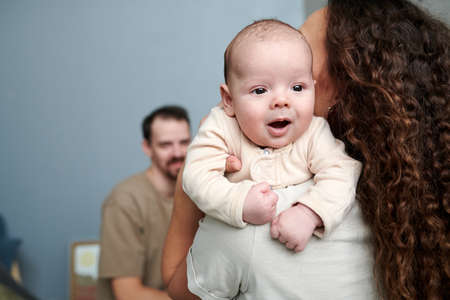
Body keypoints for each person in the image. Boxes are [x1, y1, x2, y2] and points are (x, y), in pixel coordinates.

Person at [163, 0, 449, 299]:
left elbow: (177, 284)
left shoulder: (257, 220)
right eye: (261, 88)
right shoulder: (411, 223)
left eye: (297, 82)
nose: (280, 100)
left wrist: (195, 169)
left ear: (337, 91)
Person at [182, 19, 361, 255]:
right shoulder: (221, 127)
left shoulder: (314, 133)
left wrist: (309, 213)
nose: (281, 100)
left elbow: (342, 173)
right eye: (260, 90)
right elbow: (196, 175)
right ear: (229, 100)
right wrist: (239, 201)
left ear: (313, 89)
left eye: (297, 88)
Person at [97, 105, 191, 300]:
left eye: (184, 142)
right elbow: (128, 294)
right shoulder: (124, 202)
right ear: (147, 148)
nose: (178, 153)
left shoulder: (198, 194)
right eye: (165, 145)